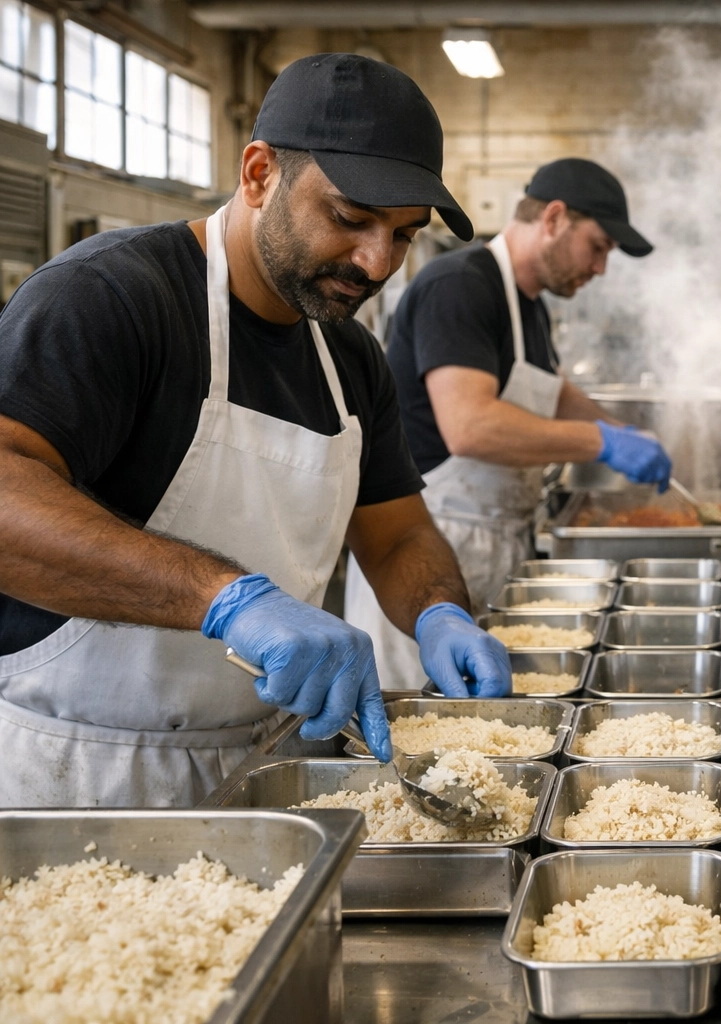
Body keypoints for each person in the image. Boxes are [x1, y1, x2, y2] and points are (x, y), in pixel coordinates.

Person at [0, 54, 512, 807]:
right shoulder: (111, 298)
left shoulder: (348, 355)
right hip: (83, 775)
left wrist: (441, 612)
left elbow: (398, 534)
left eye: (404, 234)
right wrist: (226, 598)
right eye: (349, 218)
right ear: (259, 173)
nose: (377, 263)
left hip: (270, 773)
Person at [346, 158, 671, 689]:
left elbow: (553, 391)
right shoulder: (460, 285)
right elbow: (469, 425)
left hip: (495, 544)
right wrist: (600, 442)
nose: (601, 268)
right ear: (555, 218)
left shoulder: (531, 306)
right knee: (420, 733)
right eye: (599, 246)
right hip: (426, 553)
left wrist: (624, 431)